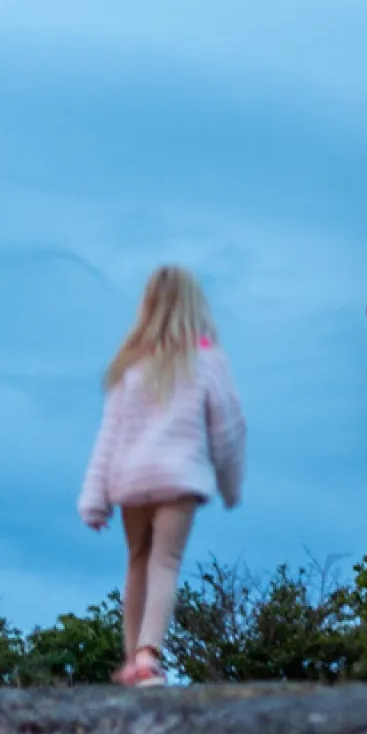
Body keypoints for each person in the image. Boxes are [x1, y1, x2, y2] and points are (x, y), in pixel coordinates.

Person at [77, 264, 246, 687]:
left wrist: (94, 499)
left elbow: (109, 435)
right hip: (178, 478)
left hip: (131, 479)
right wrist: (230, 484)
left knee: (136, 561)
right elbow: (227, 428)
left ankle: (133, 658)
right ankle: (148, 657)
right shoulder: (208, 359)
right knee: (165, 562)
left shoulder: (132, 365)